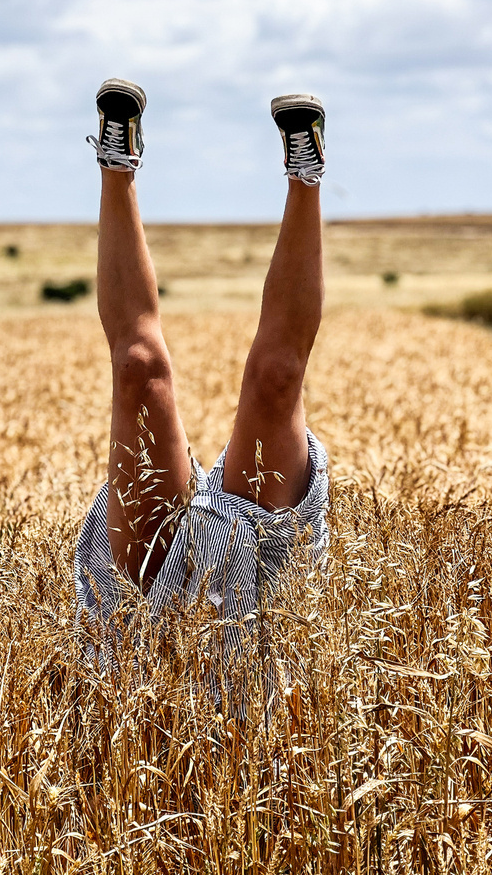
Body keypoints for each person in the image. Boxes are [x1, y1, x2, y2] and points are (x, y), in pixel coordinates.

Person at [74, 79, 329, 647]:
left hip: (221, 614)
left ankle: (304, 170)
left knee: (277, 376)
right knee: (137, 368)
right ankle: (118, 160)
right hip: (228, 601)